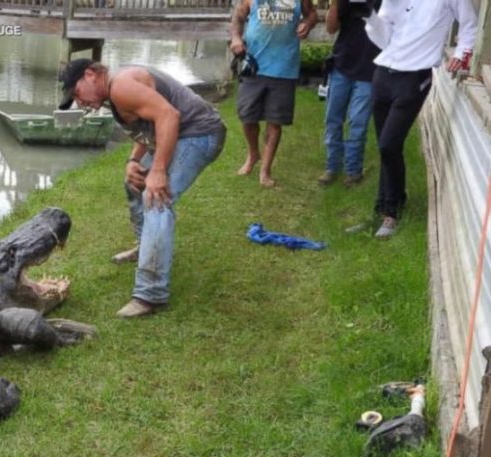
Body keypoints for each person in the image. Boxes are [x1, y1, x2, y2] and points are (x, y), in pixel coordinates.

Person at [56, 59, 226, 318]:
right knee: (134, 183)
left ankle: (151, 294)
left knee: (155, 196)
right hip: (183, 133)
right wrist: (134, 161)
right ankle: (146, 245)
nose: (79, 102)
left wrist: (158, 171)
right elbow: (150, 126)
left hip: (200, 134)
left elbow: (169, 116)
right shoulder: (116, 89)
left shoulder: (120, 86)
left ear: (90, 75)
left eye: (77, 93)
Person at [364, 0, 477, 238]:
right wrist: (369, 17)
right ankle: (384, 205)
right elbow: (385, 39)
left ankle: (391, 213)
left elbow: (470, 24)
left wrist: (461, 54)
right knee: (385, 148)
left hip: (415, 77)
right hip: (383, 74)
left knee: (389, 144)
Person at [230, 0, 318, 187]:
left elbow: (312, 14)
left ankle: (265, 170)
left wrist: (307, 24)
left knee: (275, 121)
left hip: (284, 68)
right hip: (254, 65)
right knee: (247, 116)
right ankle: (253, 154)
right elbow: (238, 17)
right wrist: (236, 38)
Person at [317, 0, 381, 187]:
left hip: (370, 69)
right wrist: (335, 3)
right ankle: (332, 167)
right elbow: (330, 28)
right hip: (342, 65)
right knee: (333, 119)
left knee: (358, 122)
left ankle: (353, 171)